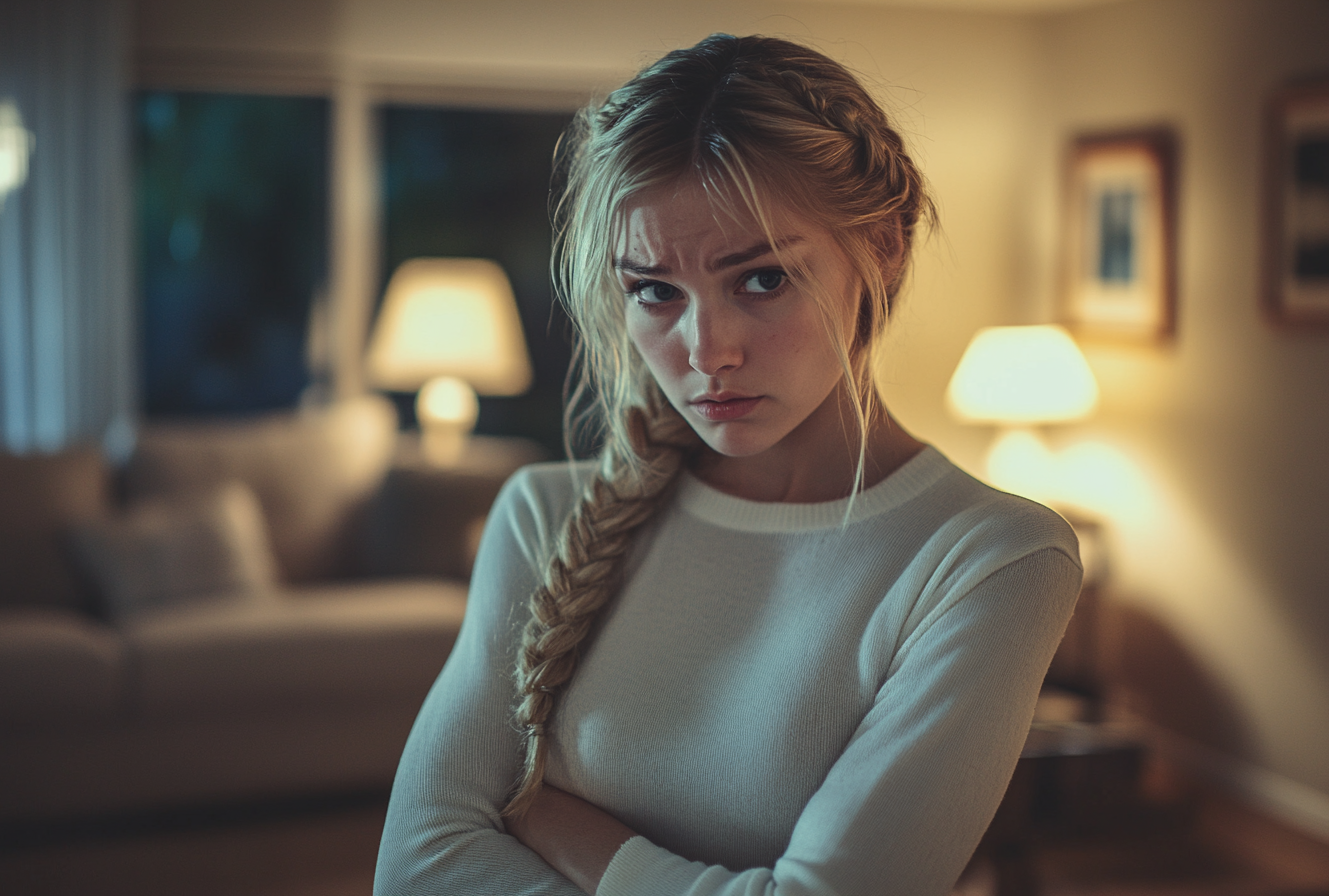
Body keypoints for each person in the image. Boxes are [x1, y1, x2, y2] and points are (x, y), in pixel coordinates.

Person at [374, 33, 1082, 896]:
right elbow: (416, 871)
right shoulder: (541, 519)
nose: (708, 353)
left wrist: (558, 825)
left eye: (762, 280)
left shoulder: (990, 560)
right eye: (655, 292)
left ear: (885, 246)